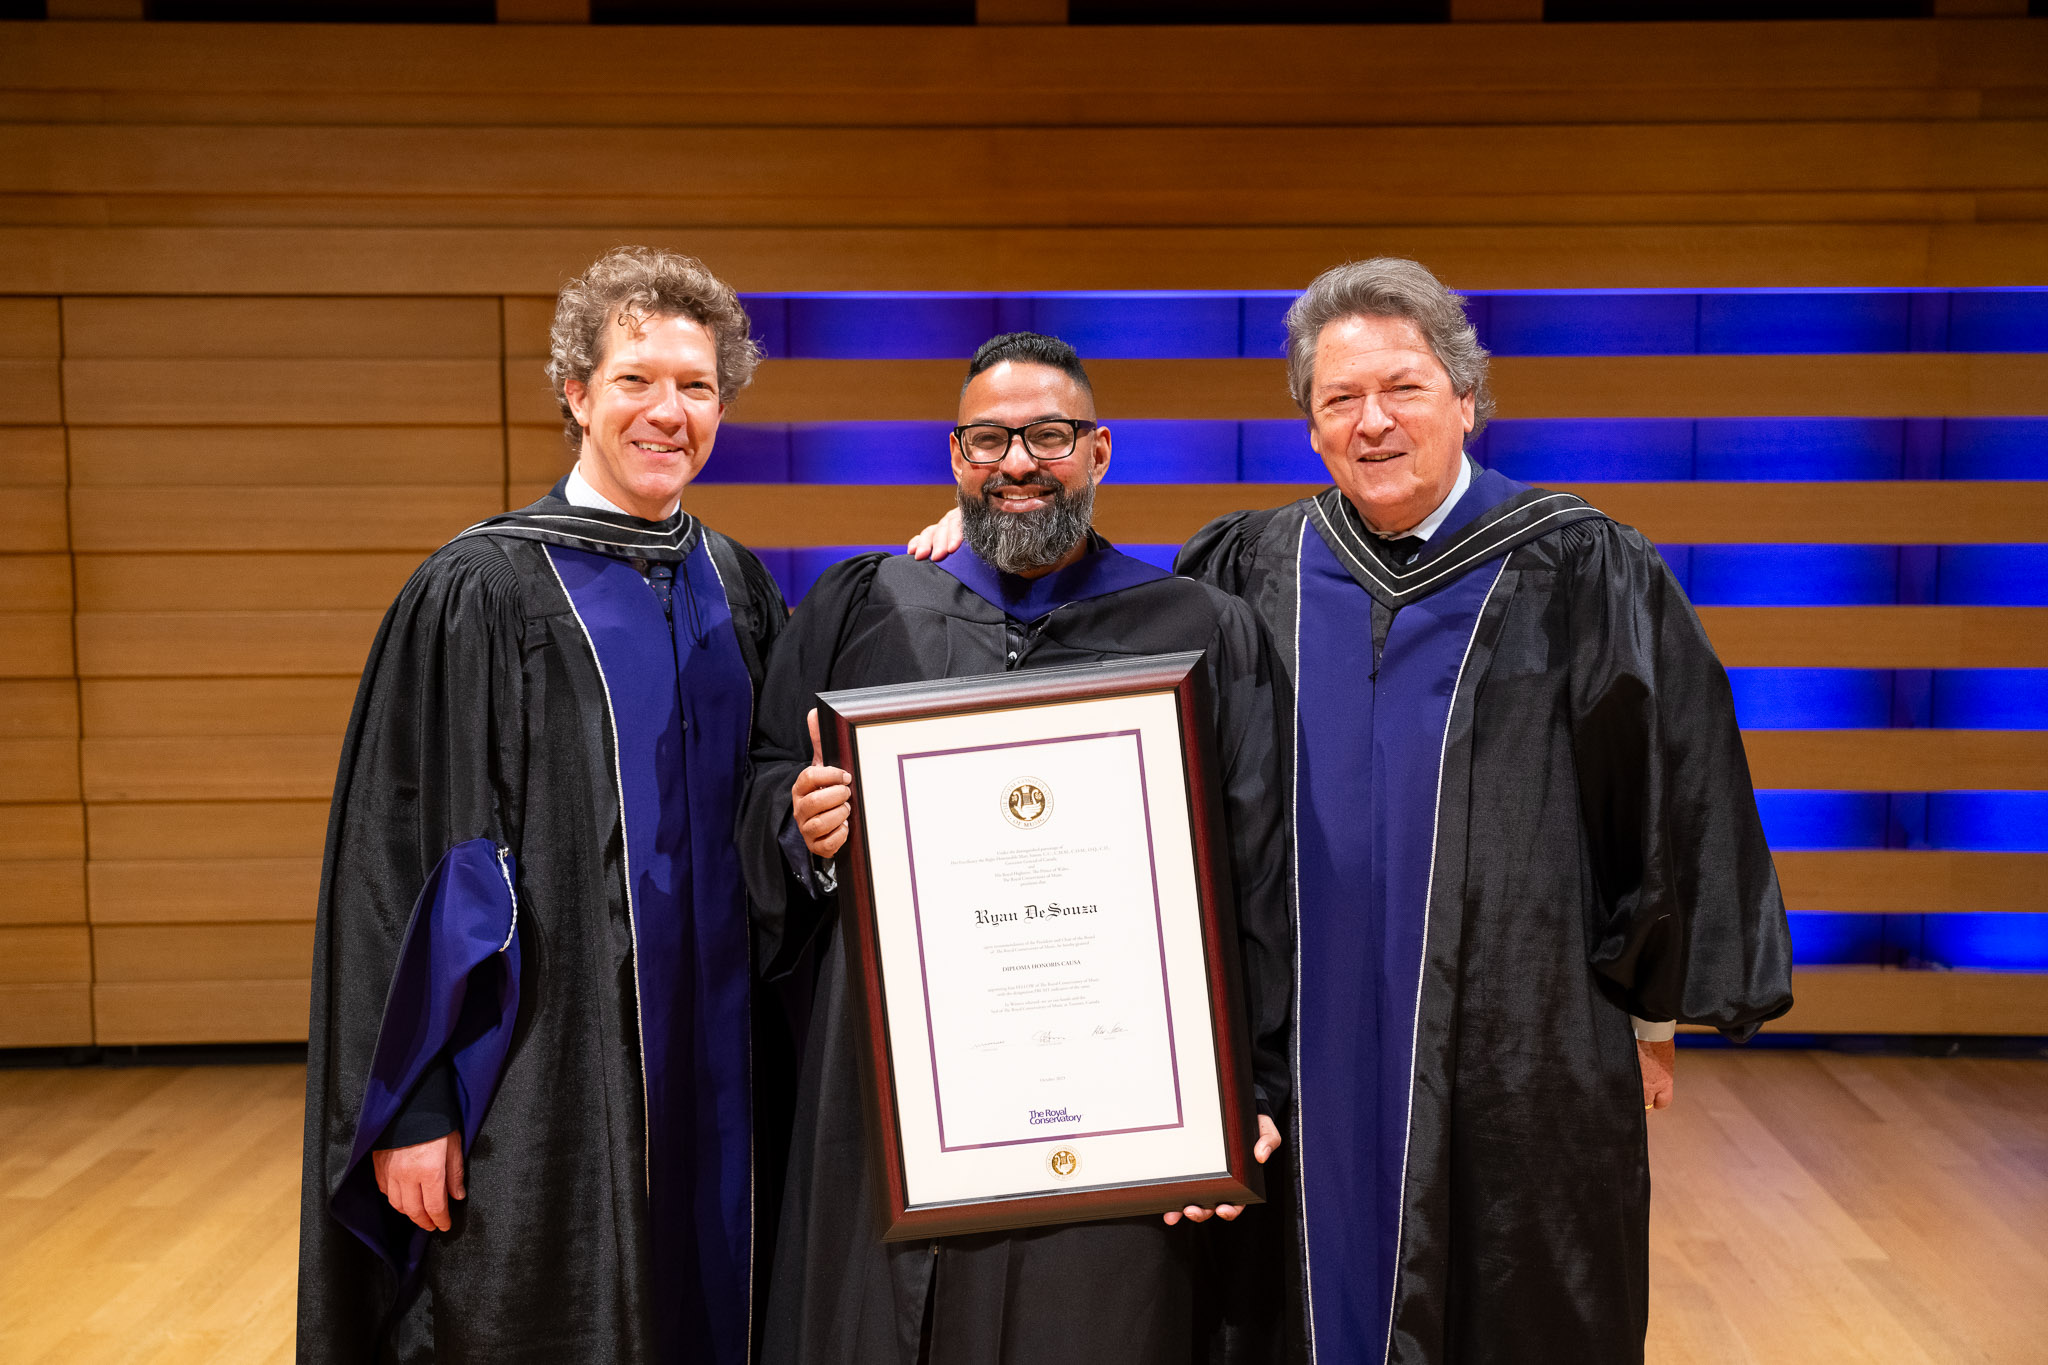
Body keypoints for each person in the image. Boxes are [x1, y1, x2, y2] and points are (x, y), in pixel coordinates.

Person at [911, 260, 1795, 1363]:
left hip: (1517, 1029)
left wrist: (1650, 1016)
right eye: (1337, 400)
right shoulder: (1251, 566)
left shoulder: (1578, 562)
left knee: (1513, 1288)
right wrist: (980, 550)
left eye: (1403, 389)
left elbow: (1662, 784)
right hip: (1302, 1020)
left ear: (1464, 399)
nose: (1371, 421)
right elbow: (1109, 655)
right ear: (1310, 426)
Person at [738, 332, 1293, 1365]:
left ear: (1098, 451)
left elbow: (1252, 867)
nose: (1017, 462)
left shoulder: (1199, 629)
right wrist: (798, 823)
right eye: (987, 439)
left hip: (1120, 1098)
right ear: (955, 459)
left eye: (1047, 434)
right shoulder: (865, 608)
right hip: (900, 1090)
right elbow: (772, 774)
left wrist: (1244, 1088)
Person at [298, 246, 793, 1364]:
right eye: (635, 380)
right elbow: (411, 867)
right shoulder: (482, 592)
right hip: (543, 1082)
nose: (668, 411)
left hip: (722, 1073)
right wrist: (415, 1106)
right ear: (573, 392)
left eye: (697, 386)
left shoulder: (738, 585)